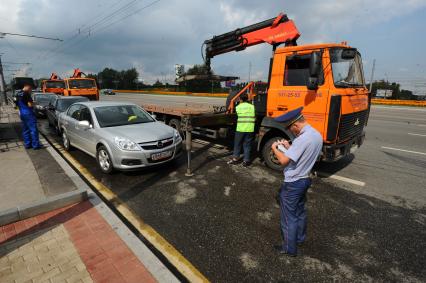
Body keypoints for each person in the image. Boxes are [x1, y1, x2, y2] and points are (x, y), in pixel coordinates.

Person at [271, 107, 322, 257]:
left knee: (288, 217)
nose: (291, 131)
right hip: (305, 179)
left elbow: (283, 161)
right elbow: (302, 154)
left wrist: (275, 148)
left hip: (293, 183)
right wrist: (288, 147)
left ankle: (289, 248)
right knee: (300, 212)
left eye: (289, 128)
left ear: (296, 124)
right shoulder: (315, 134)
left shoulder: (302, 139)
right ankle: (299, 238)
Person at [227, 93, 255, 167]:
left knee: (238, 144)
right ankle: (246, 161)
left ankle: (235, 159)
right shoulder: (252, 106)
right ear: (247, 98)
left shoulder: (238, 107)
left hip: (241, 128)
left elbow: (236, 115)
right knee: (247, 145)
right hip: (250, 129)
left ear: (240, 99)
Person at [16, 83, 42, 149]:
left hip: (22, 113)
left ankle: (27, 144)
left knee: (25, 129)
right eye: (30, 88)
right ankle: (35, 145)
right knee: (33, 130)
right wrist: (35, 103)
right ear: (27, 86)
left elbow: (17, 105)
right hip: (29, 113)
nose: (31, 90)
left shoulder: (18, 94)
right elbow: (30, 104)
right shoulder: (26, 93)